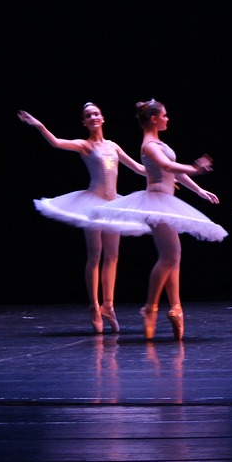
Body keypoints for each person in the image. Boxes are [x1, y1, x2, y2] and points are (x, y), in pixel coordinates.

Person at [90, 99, 227, 339]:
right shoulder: (149, 145)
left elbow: (172, 171)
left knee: (173, 256)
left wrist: (198, 190)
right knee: (170, 256)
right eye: (164, 115)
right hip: (155, 203)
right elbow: (167, 164)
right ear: (154, 119)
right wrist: (196, 168)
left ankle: (175, 307)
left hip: (166, 202)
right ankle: (150, 307)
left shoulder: (158, 142)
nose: (167, 119)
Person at [18, 104, 150, 333]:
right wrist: (39, 125)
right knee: (95, 254)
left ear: (103, 117)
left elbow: (138, 168)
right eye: (88, 116)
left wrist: (161, 176)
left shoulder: (113, 146)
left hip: (113, 205)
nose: (93, 117)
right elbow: (57, 143)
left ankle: (108, 306)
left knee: (113, 255)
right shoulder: (85, 146)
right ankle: (94, 306)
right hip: (92, 204)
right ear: (84, 122)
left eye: (96, 113)